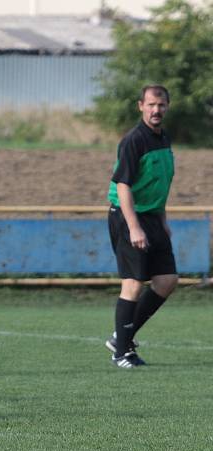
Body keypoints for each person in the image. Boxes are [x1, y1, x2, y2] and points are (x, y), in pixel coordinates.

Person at [105, 84, 177, 369]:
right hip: (128, 216)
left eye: (160, 105)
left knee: (167, 280)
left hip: (153, 216)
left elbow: (159, 182)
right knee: (133, 283)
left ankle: (122, 337)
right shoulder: (134, 140)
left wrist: (162, 220)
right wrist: (134, 227)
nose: (156, 110)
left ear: (167, 106)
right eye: (150, 105)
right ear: (141, 106)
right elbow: (123, 185)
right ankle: (122, 352)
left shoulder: (163, 138)